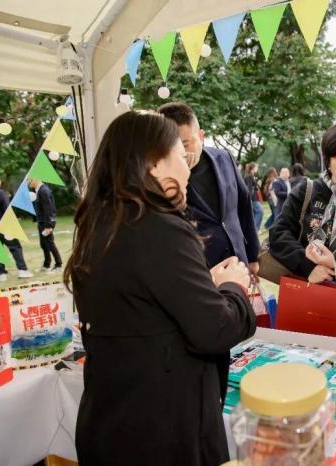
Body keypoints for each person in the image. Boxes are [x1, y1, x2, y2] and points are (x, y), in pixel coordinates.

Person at [65, 111, 256, 466]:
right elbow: (216, 329)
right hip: (163, 430)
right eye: (181, 156)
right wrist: (234, 286)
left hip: (112, 421)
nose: (188, 169)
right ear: (154, 164)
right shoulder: (160, 228)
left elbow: (142, 305)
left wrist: (204, 283)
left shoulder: (101, 224)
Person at [157, 102, 260, 276]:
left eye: (186, 144)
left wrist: (252, 256)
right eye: (173, 146)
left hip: (238, 261)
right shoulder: (160, 177)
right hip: (199, 270)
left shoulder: (224, 157)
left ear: (201, 136)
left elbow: (243, 203)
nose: (182, 152)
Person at [270, 121, 336, 284]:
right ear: (328, 161)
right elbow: (279, 233)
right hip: (305, 286)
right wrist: (308, 267)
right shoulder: (307, 190)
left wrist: (335, 265)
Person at [28, 178, 62, 273]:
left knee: (50, 243)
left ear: (35, 179)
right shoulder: (38, 190)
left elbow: (48, 209)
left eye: (29, 180)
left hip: (46, 222)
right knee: (43, 244)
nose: (28, 182)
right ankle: (46, 265)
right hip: (42, 221)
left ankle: (58, 265)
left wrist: (48, 226)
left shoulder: (43, 190)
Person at [243, 162, 263, 232]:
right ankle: (255, 229)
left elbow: (253, 187)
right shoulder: (249, 176)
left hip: (253, 198)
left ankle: (253, 230)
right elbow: (249, 188)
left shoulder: (250, 175)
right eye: (256, 167)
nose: (257, 168)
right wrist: (250, 199)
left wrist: (256, 185)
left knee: (254, 213)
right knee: (260, 211)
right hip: (253, 198)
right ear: (253, 168)